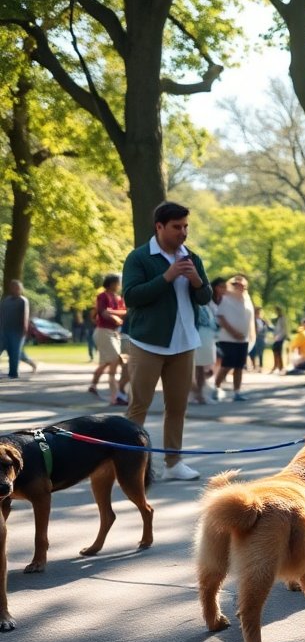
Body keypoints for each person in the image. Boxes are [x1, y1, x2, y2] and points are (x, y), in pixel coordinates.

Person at [121, 201, 213, 481]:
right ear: (159, 227)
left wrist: (198, 282)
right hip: (148, 343)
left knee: (177, 407)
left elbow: (206, 297)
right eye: (177, 227)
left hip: (184, 344)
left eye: (186, 226)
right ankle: (129, 464)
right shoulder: (139, 258)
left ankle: (174, 464)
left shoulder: (192, 257)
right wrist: (166, 277)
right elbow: (132, 297)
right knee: (139, 405)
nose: (183, 232)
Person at [212, 274, 255, 402]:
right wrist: (233, 332)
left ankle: (237, 392)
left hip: (243, 339)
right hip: (227, 338)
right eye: (236, 284)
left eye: (242, 285)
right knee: (226, 365)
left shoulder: (247, 300)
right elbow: (220, 318)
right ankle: (216, 388)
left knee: (239, 366)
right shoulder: (226, 298)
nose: (240, 287)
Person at [89, 274, 129, 403]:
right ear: (111, 283)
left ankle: (93, 385)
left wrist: (111, 312)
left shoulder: (118, 298)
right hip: (103, 331)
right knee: (115, 359)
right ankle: (115, 396)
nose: (119, 285)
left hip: (114, 333)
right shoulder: (102, 296)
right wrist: (114, 317)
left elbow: (125, 312)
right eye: (117, 283)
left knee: (108, 362)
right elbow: (102, 311)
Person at [191, 277, 227, 405]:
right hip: (201, 335)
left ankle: (199, 392)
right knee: (197, 367)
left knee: (202, 367)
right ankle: (197, 393)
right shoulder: (204, 301)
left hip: (209, 336)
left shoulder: (217, 301)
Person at [0, 280, 30, 380]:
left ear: (20, 289)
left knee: (15, 353)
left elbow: (25, 315)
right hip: (4, 330)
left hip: (17, 331)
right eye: (13, 287)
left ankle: (13, 373)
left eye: (17, 287)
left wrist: (24, 330)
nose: (15, 289)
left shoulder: (23, 300)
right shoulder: (5, 300)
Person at [269, 307, 287, 373]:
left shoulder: (283, 319)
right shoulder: (278, 319)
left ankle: (281, 367)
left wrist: (279, 336)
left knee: (279, 352)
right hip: (277, 338)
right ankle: (276, 366)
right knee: (275, 351)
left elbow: (284, 329)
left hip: (280, 338)